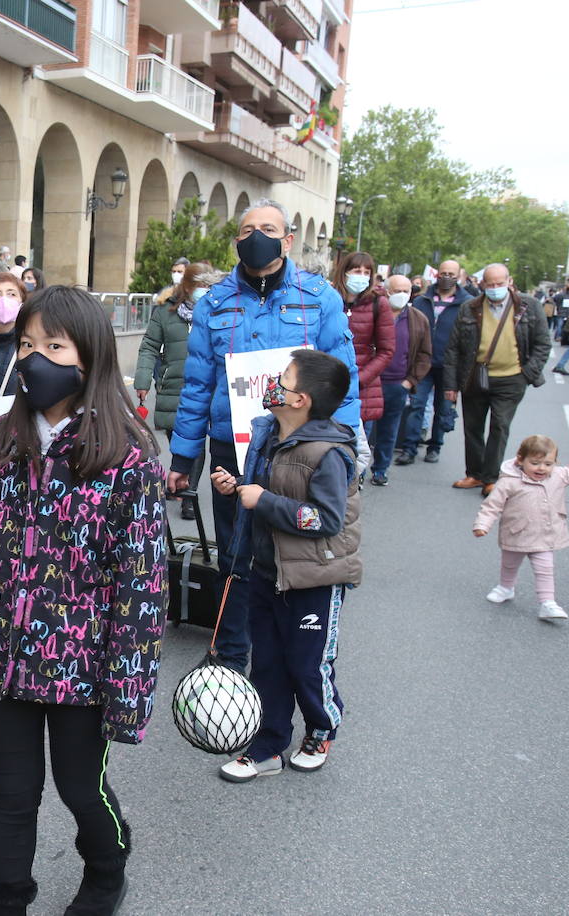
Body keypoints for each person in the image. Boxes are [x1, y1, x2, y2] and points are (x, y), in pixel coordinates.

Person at [0, 285, 166, 916]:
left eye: (55, 346)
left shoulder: (127, 458)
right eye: (29, 345)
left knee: (79, 788)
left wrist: (129, 694)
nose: (36, 358)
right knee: (11, 791)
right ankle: (5, 899)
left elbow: (141, 587)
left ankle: (106, 867)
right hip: (5, 658)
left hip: (84, 671)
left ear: (88, 359)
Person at [168, 198, 359, 673]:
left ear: (287, 239)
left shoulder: (319, 297)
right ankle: (233, 650)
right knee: (237, 550)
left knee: (290, 544)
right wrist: (181, 458)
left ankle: (285, 646)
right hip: (230, 445)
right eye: (247, 228)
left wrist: (348, 444)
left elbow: (343, 374)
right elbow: (197, 384)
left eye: (268, 228)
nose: (257, 236)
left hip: (299, 446)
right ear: (237, 239)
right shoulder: (213, 302)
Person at [210, 348, 360, 783]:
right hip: (266, 570)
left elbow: (326, 519)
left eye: (284, 378)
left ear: (301, 400)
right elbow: (264, 490)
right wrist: (237, 487)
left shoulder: (329, 453)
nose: (273, 382)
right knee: (269, 663)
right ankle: (268, 745)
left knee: (307, 664)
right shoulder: (267, 434)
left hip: (314, 578)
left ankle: (322, 728)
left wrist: (265, 501)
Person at [443, 263, 551, 495]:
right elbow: (454, 349)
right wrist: (451, 384)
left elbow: (543, 343)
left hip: (511, 378)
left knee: (499, 426)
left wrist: (526, 374)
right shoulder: (469, 308)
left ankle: (491, 477)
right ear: (482, 285)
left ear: (509, 282)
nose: (495, 288)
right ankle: (474, 474)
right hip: (475, 376)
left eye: (499, 284)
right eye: (490, 284)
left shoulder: (529, 307)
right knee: (472, 427)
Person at [135, 261, 219, 521]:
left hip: (208, 386)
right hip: (174, 385)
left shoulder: (220, 312)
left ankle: (189, 495)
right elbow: (149, 345)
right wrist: (142, 380)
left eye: (208, 285)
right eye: (199, 285)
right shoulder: (165, 311)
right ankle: (180, 478)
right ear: (188, 286)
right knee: (177, 437)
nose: (203, 290)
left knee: (195, 438)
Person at [473, 434, 569, 621]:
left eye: (548, 464)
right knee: (510, 564)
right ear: (521, 460)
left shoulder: (557, 476)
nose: (542, 468)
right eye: (535, 463)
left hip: (544, 535)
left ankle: (548, 603)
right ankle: (506, 587)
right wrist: (482, 524)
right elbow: (492, 505)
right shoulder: (509, 481)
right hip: (515, 533)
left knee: (545, 568)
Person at [396, 260, 466, 465]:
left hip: (449, 365)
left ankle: (435, 446)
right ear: (437, 275)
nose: (447, 277)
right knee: (416, 405)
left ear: (458, 275)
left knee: (443, 408)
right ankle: (409, 448)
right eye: (443, 273)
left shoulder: (466, 303)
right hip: (422, 362)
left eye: (451, 274)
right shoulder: (422, 300)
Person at [368, 275, 432, 486]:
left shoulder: (418, 319)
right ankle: (357, 471)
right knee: (363, 431)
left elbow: (424, 354)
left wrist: (410, 381)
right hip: (369, 382)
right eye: (397, 290)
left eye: (407, 290)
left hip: (397, 384)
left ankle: (380, 470)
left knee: (389, 430)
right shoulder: (373, 313)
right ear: (386, 291)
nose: (402, 295)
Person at [333, 252, 395, 453]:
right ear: (345, 272)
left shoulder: (378, 303)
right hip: (328, 385)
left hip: (363, 388)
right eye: (356, 270)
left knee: (357, 452)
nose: (361, 275)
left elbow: (386, 350)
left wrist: (358, 379)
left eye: (366, 272)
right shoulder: (329, 298)